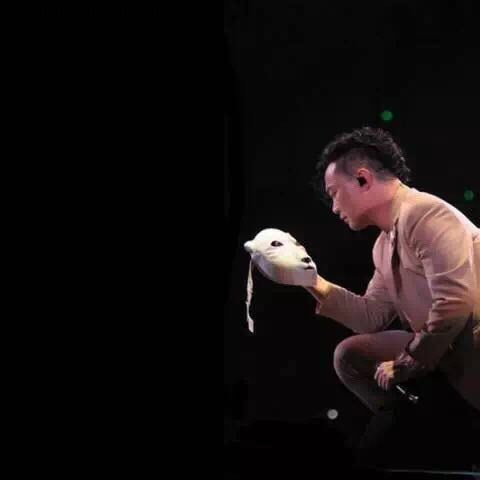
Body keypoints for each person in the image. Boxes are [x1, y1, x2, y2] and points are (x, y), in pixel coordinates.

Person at [303, 126, 479, 465]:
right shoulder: (383, 247)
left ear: (363, 179)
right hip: (446, 357)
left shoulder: (424, 212)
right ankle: (418, 429)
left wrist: (407, 362)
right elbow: (372, 317)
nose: (333, 207)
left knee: (377, 453)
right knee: (350, 355)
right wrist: (307, 278)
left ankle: (429, 436)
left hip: (469, 354)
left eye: (334, 193)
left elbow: (456, 302)